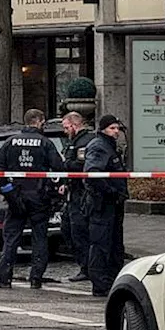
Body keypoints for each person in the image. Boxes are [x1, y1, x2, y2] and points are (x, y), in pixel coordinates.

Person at [0, 109, 65, 289]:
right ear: (38, 121)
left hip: (16, 196)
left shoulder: (10, 143)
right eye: (43, 122)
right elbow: (58, 168)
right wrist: (55, 190)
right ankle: (36, 278)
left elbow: (0, 172)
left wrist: (9, 193)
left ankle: (4, 278)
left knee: (11, 238)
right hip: (39, 196)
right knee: (40, 238)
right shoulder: (45, 143)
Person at [85, 115, 128, 297]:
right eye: (112, 128)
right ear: (103, 129)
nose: (116, 132)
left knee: (115, 244)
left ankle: (111, 280)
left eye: (117, 128)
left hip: (113, 204)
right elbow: (93, 174)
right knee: (101, 244)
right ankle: (100, 283)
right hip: (102, 204)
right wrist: (110, 192)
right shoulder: (99, 146)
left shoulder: (109, 146)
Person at [59, 112, 94, 283]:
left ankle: (87, 267)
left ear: (74, 125)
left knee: (79, 231)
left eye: (66, 127)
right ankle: (84, 265)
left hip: (82, 193)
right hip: (73, 191)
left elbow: (81, 166)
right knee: (68, 229)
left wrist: (64, 165)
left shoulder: (85, 141)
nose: (65, 131)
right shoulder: (74, 141)